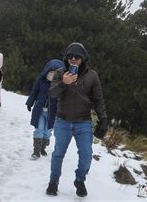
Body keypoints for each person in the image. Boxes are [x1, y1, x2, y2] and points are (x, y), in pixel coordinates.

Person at [46, 42, 108, 198]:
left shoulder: (92, 75)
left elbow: (99, 99)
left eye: (77, 56)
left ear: (83, 58)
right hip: (63, 121)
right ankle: (53, 182)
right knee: (58, 154)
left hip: (83, 122)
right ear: (66, 58)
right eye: (70, 56)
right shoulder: (60, 73)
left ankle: (80, 180)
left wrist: (103, 120)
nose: (73, 59)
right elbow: (52, 94)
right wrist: (63, 83)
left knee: (86, 155)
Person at [25, 59, 65, 160]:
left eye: (55, 73)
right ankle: (36, 151)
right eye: (51, 72)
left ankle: (43, 147)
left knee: (47, 132)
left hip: (53, 114)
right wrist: (30, 102)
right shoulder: (41, 80)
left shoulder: (61, 86)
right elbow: (34, 91)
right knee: (39, 129)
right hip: (40, 110)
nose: (52, 74)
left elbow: (64, 100)